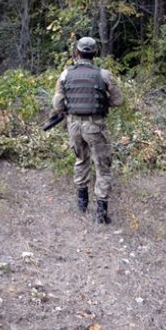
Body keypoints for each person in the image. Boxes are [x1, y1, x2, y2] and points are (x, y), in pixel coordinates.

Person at [52, 37, 124, 224]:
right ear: (95, 53)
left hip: (74, 125)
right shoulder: (104, 75)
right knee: (102, 166)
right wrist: (100, 102)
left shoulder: (66, 74)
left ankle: (82, 204)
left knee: (80, 160)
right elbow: (118, 100)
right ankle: (100, 212)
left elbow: (57, 104)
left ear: (77, 52)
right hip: (95, 125)